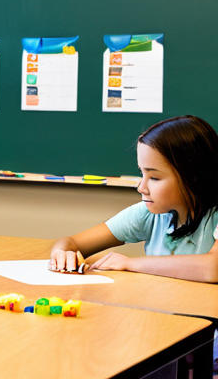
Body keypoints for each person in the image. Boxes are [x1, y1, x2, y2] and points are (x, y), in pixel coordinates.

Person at [50, 115, 218, 283]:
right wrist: (62, 254)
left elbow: (213, 268)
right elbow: (70, 242)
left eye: (154, 177)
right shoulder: (148, 213)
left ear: (193, 176)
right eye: (142, 173)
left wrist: (130, 263)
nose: (141, 188)